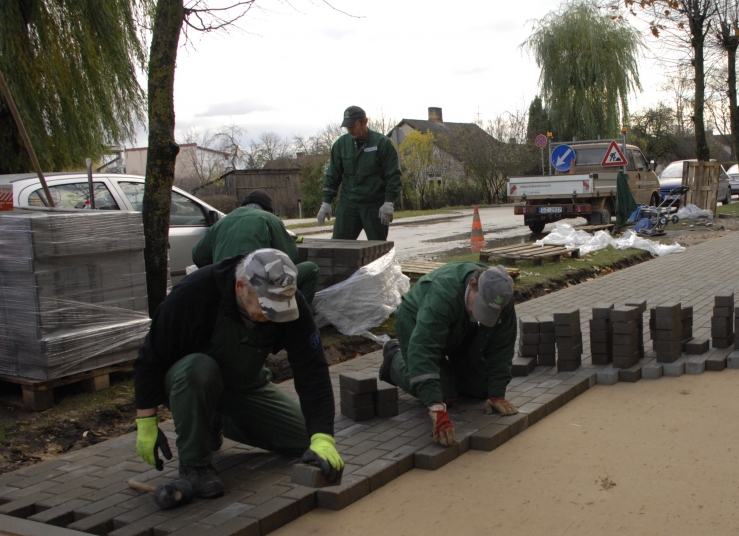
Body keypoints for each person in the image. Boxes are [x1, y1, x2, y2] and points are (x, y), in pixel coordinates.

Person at [133, 249, 342, 497]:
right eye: (265, 306)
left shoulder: (288, 300)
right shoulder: (194, 293)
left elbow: (312, 368)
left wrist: (322, 437)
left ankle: (217, 419)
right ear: (241, 287)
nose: (273, 315)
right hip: (191, 384)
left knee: (306, 440)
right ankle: (194, 467)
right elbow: (150, 357)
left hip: (246, 387)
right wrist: (146, 422)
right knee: (199, 368)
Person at [379, 262, 518, 447]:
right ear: (472, 284)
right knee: (443, 394)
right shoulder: (443, 294)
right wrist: (436, 407)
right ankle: (394, 359)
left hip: (459, 323)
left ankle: (447, 373)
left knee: (482, 389)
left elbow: (502, 348)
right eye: (481, 307)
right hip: (416, 322)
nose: (481, 315)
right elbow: (424, 349)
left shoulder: (501, 297)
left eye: (488, 312)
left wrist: (497, 394)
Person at [192, 189, 320, 306]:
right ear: (268, 209)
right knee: (311, 269)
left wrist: (220, 268)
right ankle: (297, 319)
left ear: (244, 205)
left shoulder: (221, 222)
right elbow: (290, 258)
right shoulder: (269, 218)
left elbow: (198, 256)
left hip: (225, 287)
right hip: (258, 289)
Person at [317, 106, 402, 241]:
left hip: (374, 205)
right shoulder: (341, 145)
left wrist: (389, 202)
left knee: (377, 247)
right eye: (347, 126)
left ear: (364, 122)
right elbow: (333, 175)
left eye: (353, 125)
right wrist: (326, 202)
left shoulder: (382, 143)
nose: (350, 129)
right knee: (339, 245)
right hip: (349, 204)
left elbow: (393, 175)